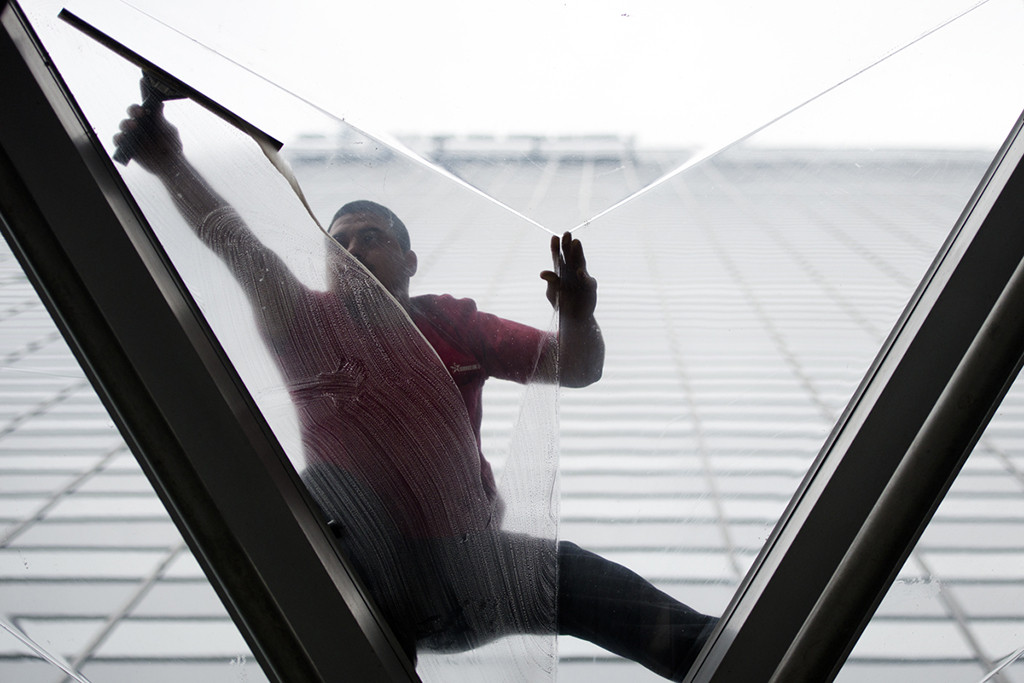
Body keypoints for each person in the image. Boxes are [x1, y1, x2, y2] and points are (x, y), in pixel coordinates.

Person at [116, 100, 717, 681]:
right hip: (365, 564)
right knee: (319, 486)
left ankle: (720, 658)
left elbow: (577, 368)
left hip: (468, 568)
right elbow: (237, 245)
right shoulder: (302, 321)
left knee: (576, 577)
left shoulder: (450, 322)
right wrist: (169, 160)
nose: (352, 251)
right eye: (339, 243)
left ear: (409, 261)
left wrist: (579, 316)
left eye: (370, 238)